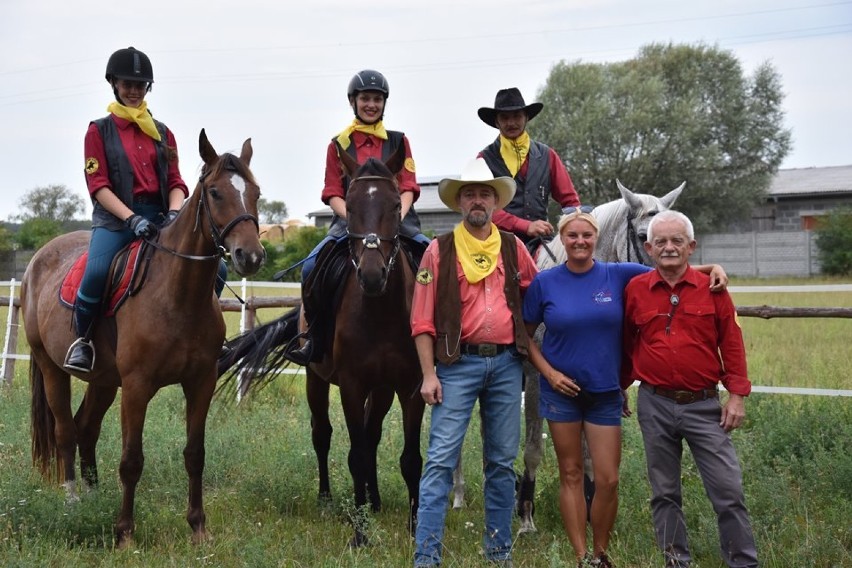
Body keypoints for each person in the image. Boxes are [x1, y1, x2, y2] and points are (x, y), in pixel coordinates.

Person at [522, 208, 729, 568]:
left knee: (608, 479)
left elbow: (672, 270)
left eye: (586, 235)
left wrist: (712, 269)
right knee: (570, 473)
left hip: (604, 393)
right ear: (563, 239)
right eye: (572, 236)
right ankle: (582, 556)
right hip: (561, 393)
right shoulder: (545, 282)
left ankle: (602, 552)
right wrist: (549, 375)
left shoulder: (617, 275)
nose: (580, 242)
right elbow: (525, 338)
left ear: (596, 238)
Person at [411, 157, 538, 567]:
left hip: (505, 366)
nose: (478, 201)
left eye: (485, 193)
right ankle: (426, 557)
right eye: (470, 194)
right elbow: (422, 319)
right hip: (456, 365)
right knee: (440, 461)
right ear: (460, 203)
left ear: (496, 202)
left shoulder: (515, 248)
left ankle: (499, 552)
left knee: (501, 463)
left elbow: (540, 295)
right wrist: (429, 373)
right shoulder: (438, 250)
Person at [66, 46, 217, 373]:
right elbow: (98, 185)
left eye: (140, 85)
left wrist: (175, 214)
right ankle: (84, 341)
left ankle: (202, 335)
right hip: (116, 221)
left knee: (216, 269)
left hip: (161, 219)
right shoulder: (98, 131)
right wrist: (130, 218)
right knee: (95, 273)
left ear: (148, 88)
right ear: (114, 85)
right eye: (127, 84)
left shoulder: (163, 133)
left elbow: (177, 181)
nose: (134, 90)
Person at [622, 210, 758, 568]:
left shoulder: (713, 289)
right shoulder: (635, 290)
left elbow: (732, 342)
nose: (669, 248)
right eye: (661, 242)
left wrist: (737, 395)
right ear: (648, 248)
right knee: (664, 492)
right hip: (654, 402)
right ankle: (675, 561)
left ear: (691, 247)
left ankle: (742, 562)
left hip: (704, 405)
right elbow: (625, 342)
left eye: (677, 241)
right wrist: (620, 386)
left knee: (727, 491)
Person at [286, 69, 430, 366]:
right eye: (365, 98)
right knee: (310, 267)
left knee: (435, 262)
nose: (371, 104)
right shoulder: (339, 144)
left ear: (384, 103)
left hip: (397, 221)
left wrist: (396, 216)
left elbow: (408, 186)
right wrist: (353, 219)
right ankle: (314, 339)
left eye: (377, 99)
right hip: (350, 224)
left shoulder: (400, 142)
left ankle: (444, 341)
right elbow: (332, 191)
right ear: (353, 101)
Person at [477, 87, 580, 245]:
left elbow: (571, 201)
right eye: (505, 118)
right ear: (497, 122)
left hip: (540, 241)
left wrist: (574, 229)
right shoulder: (484, 159)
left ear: (526, 118)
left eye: (517, 116)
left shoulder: (548, 155)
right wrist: (525, 226)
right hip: (496, 242)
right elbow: (482, 206)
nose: (511, 123)